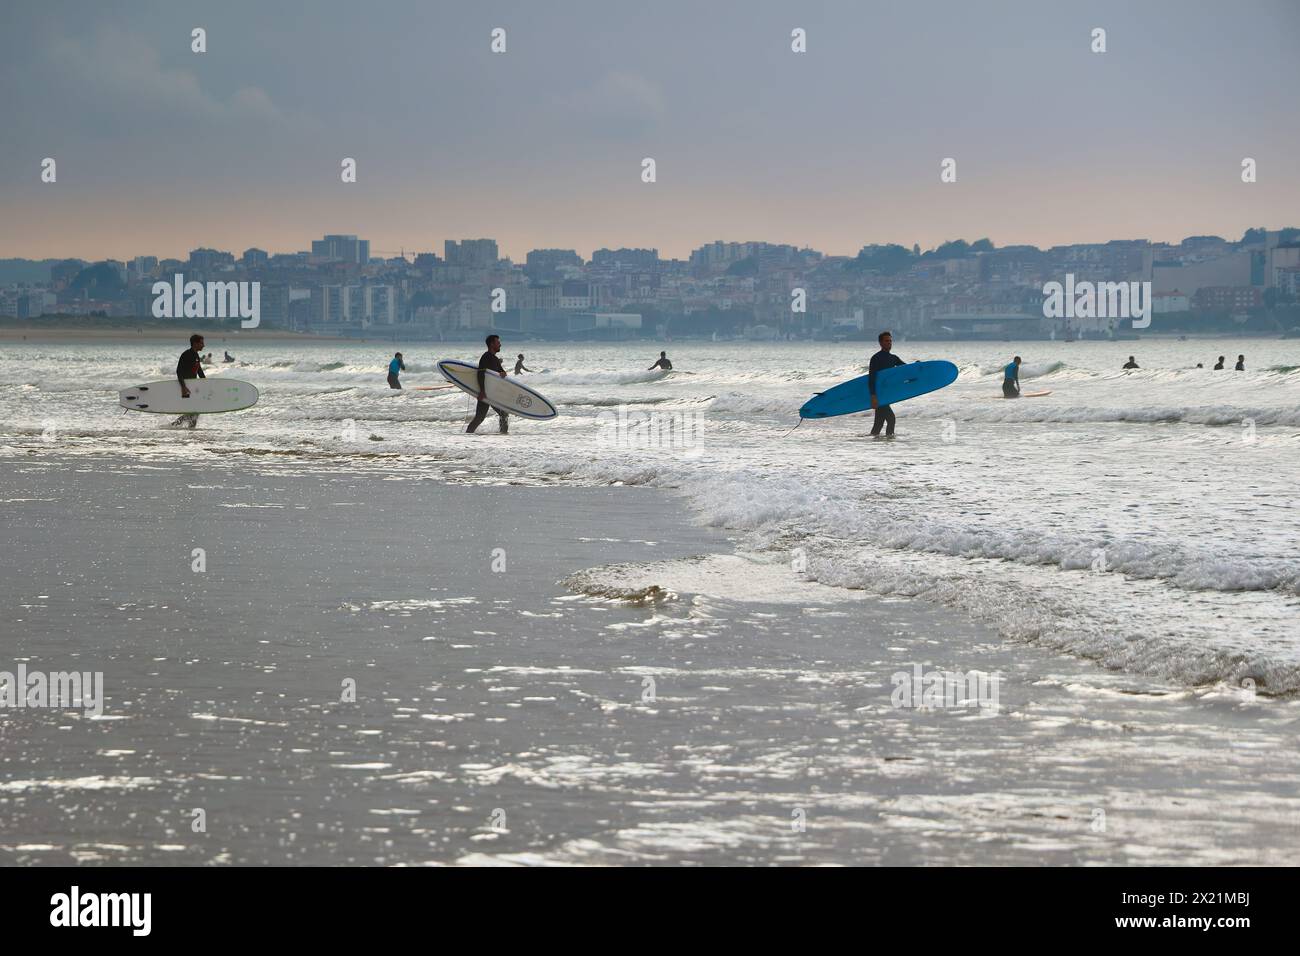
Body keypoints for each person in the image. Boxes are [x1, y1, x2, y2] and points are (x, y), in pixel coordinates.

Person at [467, 334, 509, 435]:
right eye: (498, 343)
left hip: (492, 393)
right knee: (480, 418)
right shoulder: (486, 357)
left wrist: (503, 373)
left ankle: (503, 434)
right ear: (492, 344)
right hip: (485, 392)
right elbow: (480, 374)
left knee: (503, 413)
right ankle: (467, 434)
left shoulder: (495, 359)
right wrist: (482, 391)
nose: (500, 345)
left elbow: (501, 372)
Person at [868, 330, 906, 438]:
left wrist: (917, 366)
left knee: (878, 424)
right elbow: (872, 378)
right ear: (880, 343)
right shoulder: (876, 358)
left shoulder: (893, 358)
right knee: (891, 419)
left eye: (890, 341)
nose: (889, 343)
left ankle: (874, 443)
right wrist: (873, 396)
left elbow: (906, 369)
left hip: (886, 395)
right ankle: (889, 441)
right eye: (886, 341)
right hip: (879, 395)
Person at [173, 333, 206, 429]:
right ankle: (177, 426)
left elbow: (199, 371)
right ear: (195, 343)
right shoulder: (186, 355)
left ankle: (187, 428)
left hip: (193, 386)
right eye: (201, 343)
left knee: (195, 411)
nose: (203, 345)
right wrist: (183, 387)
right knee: (194, 410)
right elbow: (179, 371)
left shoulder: (196, 355)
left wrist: (207, 384)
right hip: (187, 387)